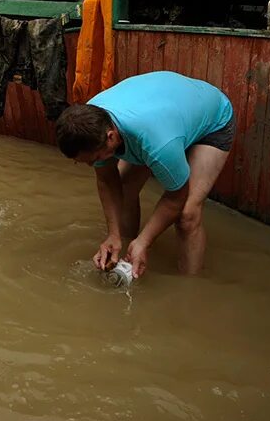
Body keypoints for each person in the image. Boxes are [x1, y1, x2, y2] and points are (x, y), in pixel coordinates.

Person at [55, 71, 234, 278]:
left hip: (212, 122)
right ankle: (126, 252)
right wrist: (114, 235)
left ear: (110, 137)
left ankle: (189, 288)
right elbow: (106, 179)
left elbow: (177, 196)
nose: (91, 165)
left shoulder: (157, 144)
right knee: (124, 188)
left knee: (187, 215)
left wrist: (144, 241)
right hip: (169, 114)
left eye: (93, 159)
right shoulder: (89, 123)